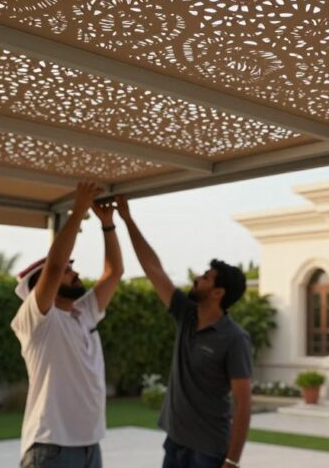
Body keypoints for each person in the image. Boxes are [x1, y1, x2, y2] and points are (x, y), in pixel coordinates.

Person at [115, 196, 252, 468]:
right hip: (175, 442)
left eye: (205, 277)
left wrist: (232, 461)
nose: (197, 278)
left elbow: (244, 402)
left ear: (218, 292)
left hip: (208, 452)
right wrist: (126, 220)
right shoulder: (185, 314)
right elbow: (153, 268)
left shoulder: (234, 339)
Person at [11, 182, 124, 468]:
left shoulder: (84, 311)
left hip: (89, 445)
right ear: (42, 286)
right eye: (67, 271)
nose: (73, 273)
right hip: (51, 448)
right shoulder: (36, 319)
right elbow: (54, 265)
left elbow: (114, 272)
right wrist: (79, 210)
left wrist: (108, 225)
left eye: (72, 269)